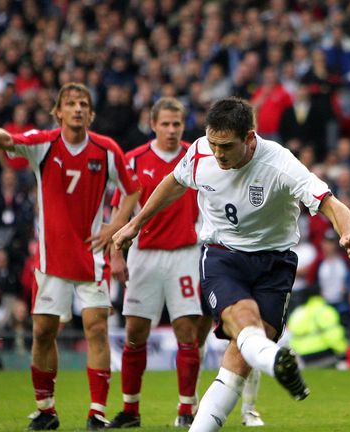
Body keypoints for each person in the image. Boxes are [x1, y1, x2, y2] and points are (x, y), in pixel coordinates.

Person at [112, 97, 350, 431]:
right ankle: (278, 362)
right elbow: (175, 181)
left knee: (239, 361)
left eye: (226, 146)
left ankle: (269, 366)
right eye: (213, 144)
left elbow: (331, 204)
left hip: (275, 263)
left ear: (250, 138)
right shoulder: (200, 152)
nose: (218, 153)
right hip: (224, 255)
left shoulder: (280, 164)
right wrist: (136, 223)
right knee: (245, 325)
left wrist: (348, 233)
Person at [0, 82, 141, 431]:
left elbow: (132, 189)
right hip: (51, 258)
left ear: (91, 113)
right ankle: (46, 409)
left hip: (91, 256)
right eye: (70, 103)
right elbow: (7, 140)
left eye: (83, 104)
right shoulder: (44, 143)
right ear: (58, 112)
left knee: (96, 328)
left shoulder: (106, 149)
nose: (77, 108)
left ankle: (96, 413)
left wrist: (116, 226)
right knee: (43, 332)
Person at [106, 97, 264, 428]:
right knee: (135, 332)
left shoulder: (201, 155)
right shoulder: (134, 160)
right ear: (153, 125)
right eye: (165, 123)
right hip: (144, 253)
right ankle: (130, 410)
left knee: (188, 333)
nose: (171, 129)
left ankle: (186, 408)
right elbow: (120, 211)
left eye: (177, 123)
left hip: (185, 254)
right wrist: (116, 254)